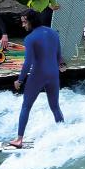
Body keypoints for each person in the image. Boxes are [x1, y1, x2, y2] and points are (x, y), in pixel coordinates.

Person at [9, 9, 66, 148]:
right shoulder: (53, 33)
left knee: (26, 106)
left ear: (31, 21)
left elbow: (28, 63)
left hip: (38, 75)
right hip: (53, 74)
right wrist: (62, 65)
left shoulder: (30, 38)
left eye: (24, 22)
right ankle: (65, 136)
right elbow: (59, 56)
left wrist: (20, 80)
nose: (23, 25)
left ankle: (19, 140)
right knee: (55, 107)